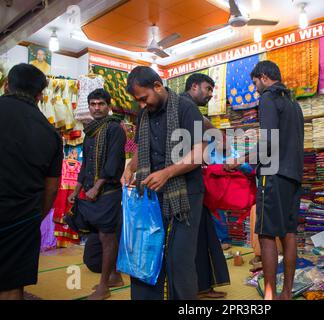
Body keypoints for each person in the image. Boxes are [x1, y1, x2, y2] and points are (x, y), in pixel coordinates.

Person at [122, 66, 205, 300]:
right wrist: (130, 168)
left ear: (158, 86)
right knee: (146, 253)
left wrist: (168, 173)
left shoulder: (186, 108)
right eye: (137, 101)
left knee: (179, 259)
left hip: (185, 193)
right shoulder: (144, 114)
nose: (141, 104)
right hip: (152, 192)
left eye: (143, 98)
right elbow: (141, 148)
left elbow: (199, 153)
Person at [225, 60, 304, 300]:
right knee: (289, 233)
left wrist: (240, 160)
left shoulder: (269, 98)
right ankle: (286, 293)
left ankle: (270, 295)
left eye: (255, 82)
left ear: (264, 77)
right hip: (293, 175)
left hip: (273, 174)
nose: (255, 88)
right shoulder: (294, 104)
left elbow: (268, 142)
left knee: (267, 234)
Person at [0, 63, 63, 300]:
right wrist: (33, 216)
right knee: (11, 284)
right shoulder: (50, 133)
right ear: (39, 95)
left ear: (7, 85)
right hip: (21, 218)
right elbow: (51, 188)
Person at [67, 88, 125, 300]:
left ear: (108, 107)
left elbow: (113, 161)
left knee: (106, 237)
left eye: (101, 104)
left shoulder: (115, 128)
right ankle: (115, 276)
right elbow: (85, 165)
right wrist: (76, 190)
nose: (97, 108)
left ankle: (104, 287)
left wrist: (96, 187)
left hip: (108, 191)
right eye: (93, 104)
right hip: (92, 191)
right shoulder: (90, 132)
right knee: (101, 236)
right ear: (89, 107)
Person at [181, 73, 231, 299]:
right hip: (185, 182)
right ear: (194, 87)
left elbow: (209, 129)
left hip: (187, 180)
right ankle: (197, 287)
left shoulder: (186, 107)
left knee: (200, 234)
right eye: (208, 89)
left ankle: (200, 286)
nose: (211, 94)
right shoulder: (185, 107)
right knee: (195, 236)